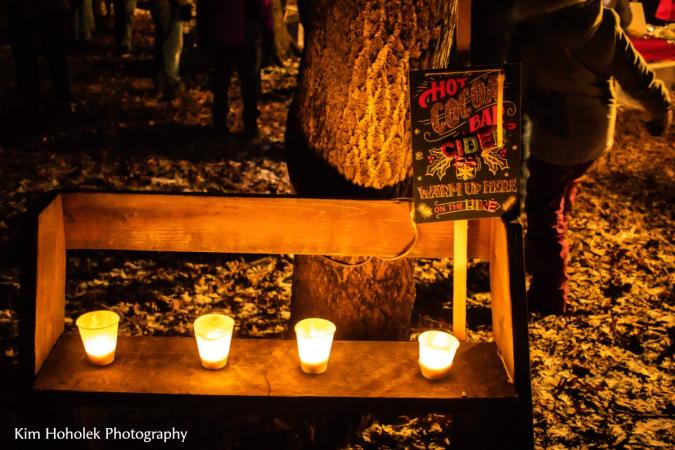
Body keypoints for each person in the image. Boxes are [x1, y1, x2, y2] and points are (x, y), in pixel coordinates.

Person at [516, 0, 671, 315]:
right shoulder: (604, 24)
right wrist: (660, 107)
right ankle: (546, 243)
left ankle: (549, 293)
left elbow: (515, 82)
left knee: (543, 209)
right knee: (563, 183)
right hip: (595, 132)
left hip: (553, 134)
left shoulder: (528, 29)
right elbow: (636, 73)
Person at [197, 0, 276, 139]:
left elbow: (204, 9)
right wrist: (269, 33)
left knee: (221, 84)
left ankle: (219, 125)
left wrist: (203, 39)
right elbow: (262, 6)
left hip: (220, 35)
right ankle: (250, 126)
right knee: (249, 84)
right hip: (246, 35)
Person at [7, 0, 73, 114]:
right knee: (55, 54)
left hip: (24, 8)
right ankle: (61, 98)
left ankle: (33, 100)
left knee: (26, 56)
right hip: (47, 8)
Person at [151, 0, 191, 100]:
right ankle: (170, 83)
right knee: (172, 44)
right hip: (170, 6)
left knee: (163, 40)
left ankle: (160, 82)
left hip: (163, 5)